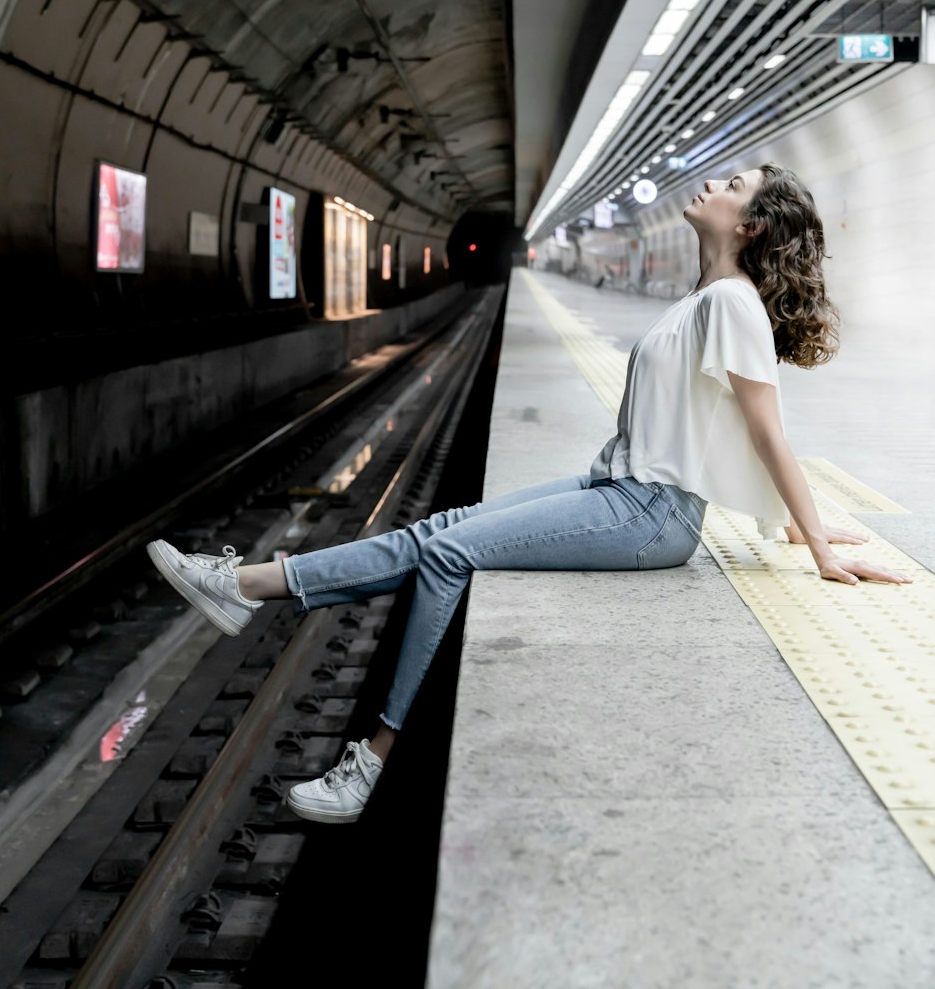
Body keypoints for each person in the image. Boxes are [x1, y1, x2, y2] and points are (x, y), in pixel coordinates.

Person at [146, 163, 911, 824]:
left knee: (446, 553)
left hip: (649, 514)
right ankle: (244, 585)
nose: (713, 183)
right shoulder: (704, 294)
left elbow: (766, 427)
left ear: (748, 225)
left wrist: (814, 541)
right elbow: (724, 424)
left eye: (733, 185)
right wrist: (782, 524)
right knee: (441, 527)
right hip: (613, 488)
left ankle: (374, 759)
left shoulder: (732, 303)